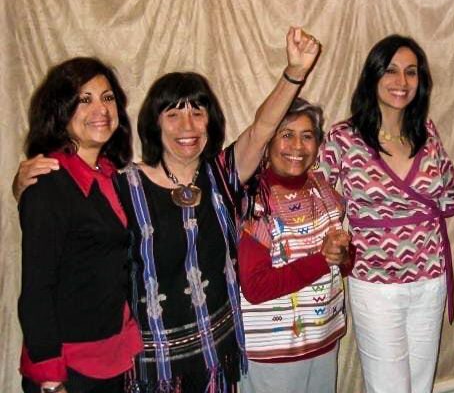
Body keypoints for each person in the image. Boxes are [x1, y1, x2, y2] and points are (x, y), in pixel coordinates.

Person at [14, 28, 321, 393]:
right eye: (173, 114)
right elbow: (63, 228)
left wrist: (294, 73)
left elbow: (263, 128)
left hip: (213, 354)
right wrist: (25, 187)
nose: (187, 125)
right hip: (149, 363)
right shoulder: (124, 184)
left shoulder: (222, 175)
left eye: (197, 111)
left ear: (211, 121)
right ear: (153, 124)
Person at [317, 35, 454, 393]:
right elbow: (316, 196)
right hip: (375, 284)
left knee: (420, 386)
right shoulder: (344, 137)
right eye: (391, 71)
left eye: (411, 72)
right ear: (373, 76)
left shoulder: (427, 134)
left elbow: (451, 192)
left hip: (429, 281)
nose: (402, 82)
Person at [18, 57, 143, 393]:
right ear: (61, 110)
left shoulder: (110, 175)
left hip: (113, 356)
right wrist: (49, 377)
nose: (100, 109)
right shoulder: (48, 182)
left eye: (107, 97)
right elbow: (36, 288)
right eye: (84, 99)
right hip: (69, 369)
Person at [238, 98, 351, 393]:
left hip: (323, 340)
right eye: (287, 134)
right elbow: (256, 287)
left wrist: (344, 253)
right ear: (268, 141)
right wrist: (323, 260)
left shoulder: (322, 188)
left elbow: (343, 264)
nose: (297, 146)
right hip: (272, 352)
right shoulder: (254, 200)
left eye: (307, 136)